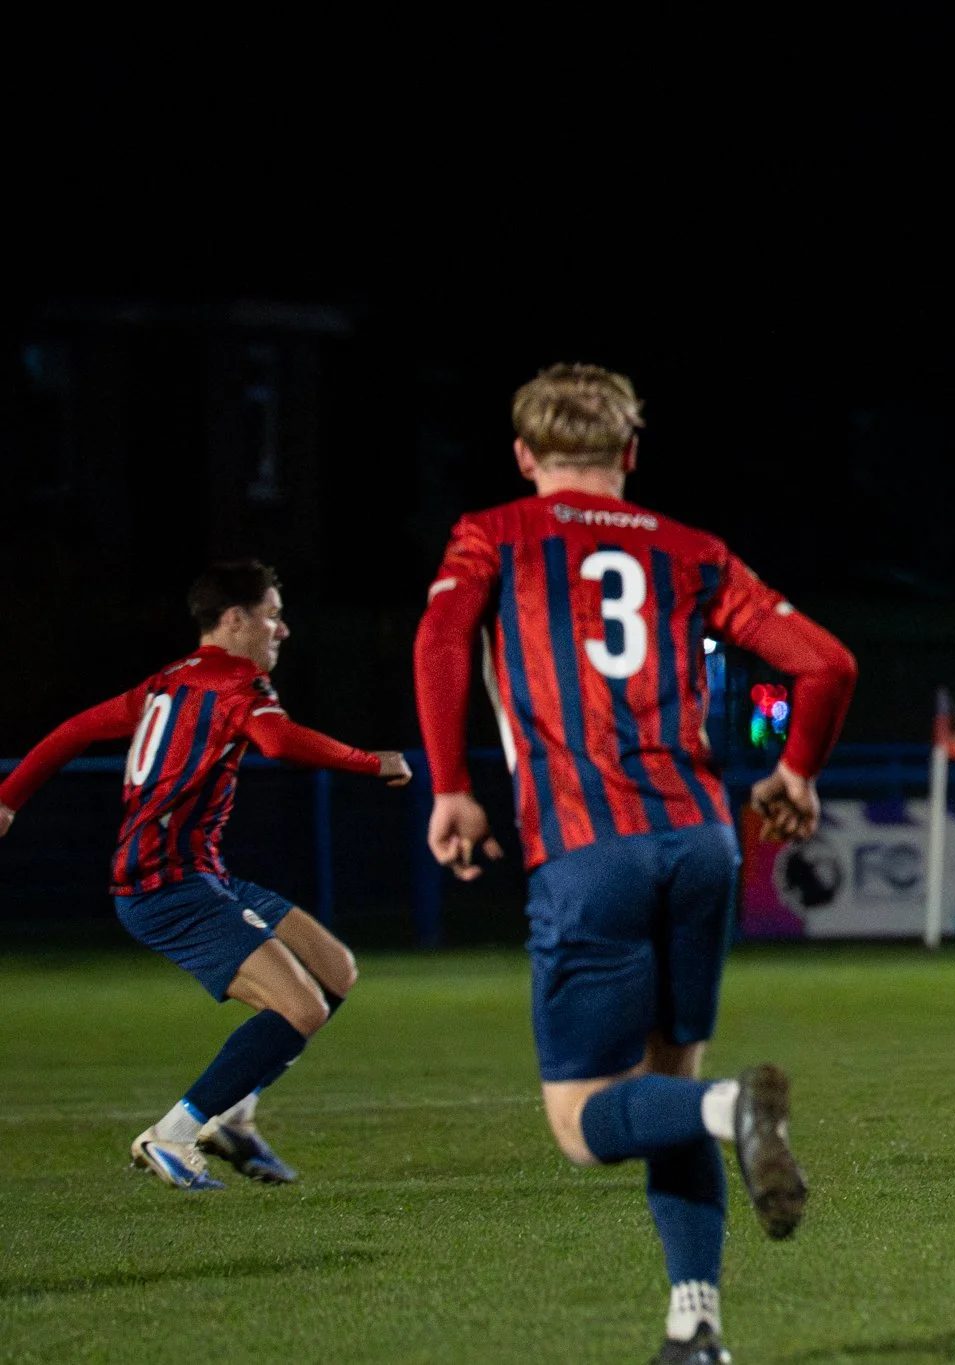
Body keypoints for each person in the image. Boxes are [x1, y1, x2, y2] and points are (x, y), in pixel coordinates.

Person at [413, 363, 857, 1365]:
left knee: (582, 1125)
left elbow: (441, 637)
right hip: (702, 842)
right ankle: (694, 1328)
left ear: (524, 457)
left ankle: (731, 1110)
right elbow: (826, 665)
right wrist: (793, 773)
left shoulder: (495, 533)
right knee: (666, 1079)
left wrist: (448, 784)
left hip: (589, 843)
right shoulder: (691, 551)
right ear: (631, 455)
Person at [0, 561, 410, 1189]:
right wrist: (371, 762)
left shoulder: (169, 682)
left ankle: (234, 1119)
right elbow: (278, 743)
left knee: (334, 971)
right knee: (299, 1007)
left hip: (199, 875)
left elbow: (76, 728)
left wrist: (7, 799)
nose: (283, 629)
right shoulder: (237, 685)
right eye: (272, 614)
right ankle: (173, 1133)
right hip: (166, 885)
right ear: (236, 618)